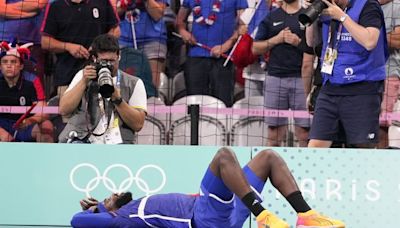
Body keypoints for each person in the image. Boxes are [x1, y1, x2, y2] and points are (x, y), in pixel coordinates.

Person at [71, 147, 345, 228]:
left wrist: (99, 206)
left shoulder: (132, 206)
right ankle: (263, 216)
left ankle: (307, 217)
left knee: (267, 158)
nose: (112, 195)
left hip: (221, 215)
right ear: (110, 208)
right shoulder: (122, 218)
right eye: (109, 197)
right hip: (203, 220)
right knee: (224, 157)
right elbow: (76, 221)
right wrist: (96, 208)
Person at [306, 0, 388, 148]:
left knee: (363, 149)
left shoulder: (368, 5)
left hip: (362, 88)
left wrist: (342, 17)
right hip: (330, 86)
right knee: (315, 148)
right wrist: (311, 16)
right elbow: (311, 42)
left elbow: (370, 41)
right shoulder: (326, 8)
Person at [58, 34, 147, 144]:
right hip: (83, 140)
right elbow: (63, 110)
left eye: (112, 60)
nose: (108, 65)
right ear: (95, 58)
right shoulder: (83, 75)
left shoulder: (134, 83)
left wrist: (118, 100)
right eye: (103, 61)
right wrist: (83, 83)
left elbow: (138, 125)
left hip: (118, 143)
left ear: (119, 56)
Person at [41, 0, 120, 108]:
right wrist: (67, 47)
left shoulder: (102, 2)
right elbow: (45, 42)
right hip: (67, 75)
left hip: (101, 75)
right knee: (67, 117)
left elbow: (115, 29)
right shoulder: (56, 6)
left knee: (105, 116)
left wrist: (100, 46)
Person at [252, 0, 310, 147]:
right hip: (275, 79)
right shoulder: (271, 17)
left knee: (304, 133)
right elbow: (255, 48)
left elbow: (317, 47)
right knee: (274, 134)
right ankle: (272, 168)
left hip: (302, 80)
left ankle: (304, 169)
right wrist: (276, 40)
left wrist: (299, 42)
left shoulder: (308, 16)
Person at [176, 0, 248, 107]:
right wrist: (183, 31)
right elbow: (179, 21)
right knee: (195, 104)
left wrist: (226, 46)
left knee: (223, 102)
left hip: (223, 59)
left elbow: (244, 26)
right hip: (196, 57)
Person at [0, 41, 54, 142]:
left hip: (25, 126)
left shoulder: (33, 80)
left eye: (13, 62)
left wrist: (29, 121)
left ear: (21, 66)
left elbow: (44, 112)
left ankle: (44, 157)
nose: (9, 65)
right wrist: (2, 133)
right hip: (1, 125)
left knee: (47, 126)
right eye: (5, 62)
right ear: (0, 66)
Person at [117, 0, 170, 92]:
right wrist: (124, 3)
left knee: (150, 87)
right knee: (122, 86)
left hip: (152, 40)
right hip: (124, 39)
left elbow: (157, 14)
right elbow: (111, 13)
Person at [378, 0, 400, 148]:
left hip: (388, 73)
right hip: (364, 75)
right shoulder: (364, 5)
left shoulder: (397, 6)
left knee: (384, 126)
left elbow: (398, 40)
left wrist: (371, 35)